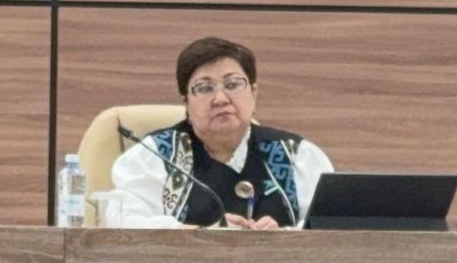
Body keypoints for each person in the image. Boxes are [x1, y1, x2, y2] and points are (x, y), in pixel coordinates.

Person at [110, 36, 333, 230]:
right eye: (204, 88)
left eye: (233, 84)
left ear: (254, 93)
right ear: (186, 101)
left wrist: (284, 237)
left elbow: (331, 225)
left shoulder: (296, 155)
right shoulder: (155, 155)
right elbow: (123, 222)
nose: (220, 99)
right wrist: (202, 234)